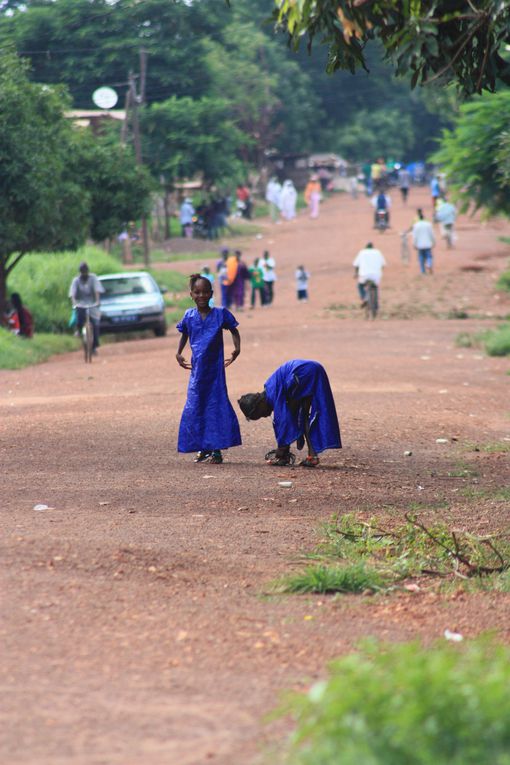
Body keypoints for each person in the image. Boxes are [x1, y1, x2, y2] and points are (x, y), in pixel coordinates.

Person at [176, 274, 241, 464]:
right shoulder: (188, 316)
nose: (201, 295)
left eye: (205, 292)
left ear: (211, 294)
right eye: (197, 292)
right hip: (197, 373)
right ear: (191, 294)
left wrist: (237, 348)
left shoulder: (221, 314)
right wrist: (179, 353)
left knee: (216, 407)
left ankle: (217, 449)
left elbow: (234, 330)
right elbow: (184, 335)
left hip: (215, 374)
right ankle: (203, 447)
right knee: (196, 406)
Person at [238, 359, 342, 468]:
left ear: (259, 405)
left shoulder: (273, 393)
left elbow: (283, 421)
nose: (265, 415)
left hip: (303, 373)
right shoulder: (270, 388)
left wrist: (281, 449)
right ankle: (312, 457)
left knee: (297, 416)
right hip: (312, 369)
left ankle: (296, 456)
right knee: (303, 416)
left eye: (260, 414)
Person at [69, 261, 104, 353]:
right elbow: (72, 294)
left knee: (95, 323)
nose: (84, 273)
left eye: (85, 271)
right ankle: (79, 330)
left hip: (92, 303)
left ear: (88, 271)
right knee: (80, 319)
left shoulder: (93, 278)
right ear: (80, 272)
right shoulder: (76, 280)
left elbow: (97, 291)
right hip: (81, 304)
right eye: (82, 271)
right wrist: (74, 303)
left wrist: (97, 301)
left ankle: (95, 344)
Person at [352, 242, 386, 312]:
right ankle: (376, 306)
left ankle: (364, 297)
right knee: (375, 287)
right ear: (372, 247)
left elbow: (356, 265)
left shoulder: (362, 252)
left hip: (364, 275)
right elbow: (383, 265)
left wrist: (356, 273)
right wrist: (379, 271)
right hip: (376, 275)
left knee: (360, 286)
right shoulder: (378, 252)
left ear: (366, 247)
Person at [412, 208, 436, 274]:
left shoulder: (416, 225)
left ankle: (423, 271)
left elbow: (414, 236)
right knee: (429, 256)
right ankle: (429, 264)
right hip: (428, 243)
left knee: (421, 257)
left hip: (420, 244)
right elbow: (432, 234)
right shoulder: (428, 224)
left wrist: (414, 244)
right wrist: (434, 242)